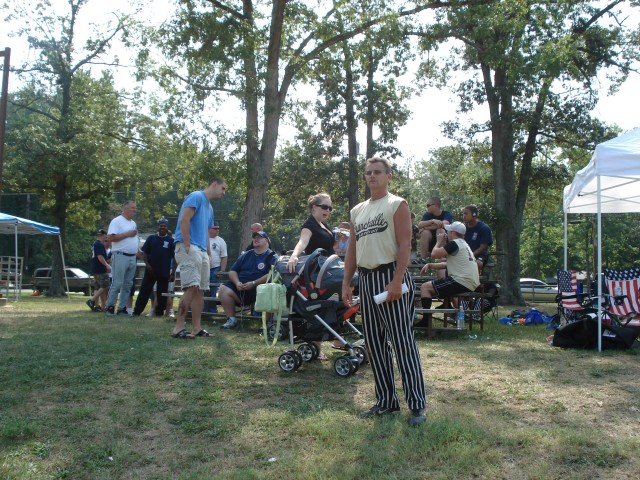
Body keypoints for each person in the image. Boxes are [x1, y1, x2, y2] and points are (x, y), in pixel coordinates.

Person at [341, 157, 427, 427]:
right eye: (368, 172)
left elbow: (405, 245)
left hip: (391, 277)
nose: (372, 176)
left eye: (377, 172)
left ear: (388, 176)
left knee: (402, 342)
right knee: (375, 345)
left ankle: (416, 405)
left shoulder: (397, 204)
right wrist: (347, 281)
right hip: (366, 280)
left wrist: (396, 280)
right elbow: (352, 249)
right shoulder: (357, 211)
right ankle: (386, 401)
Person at [171, 177, 227, 339]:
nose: (223, 193)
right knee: (191, 287)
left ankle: (196, 328)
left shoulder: (209, 207)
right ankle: (178, 327)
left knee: (200, 290)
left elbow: (205, 232)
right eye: (223, 188)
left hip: (202, 250)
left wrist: (208, 253)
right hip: (189, 247)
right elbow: (184, 219)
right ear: (214, 184)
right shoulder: (196, 196)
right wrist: (187, 244)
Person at [286, 193, 337, 359]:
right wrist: (294, 255)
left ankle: (337, 339)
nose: (328, 210)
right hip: (316, 273)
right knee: (319, 306)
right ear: (314, 207)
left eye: (330, 207)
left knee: (335, 304)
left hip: (328, 270)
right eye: (324, 206)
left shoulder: (324, 226)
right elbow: (303, 241)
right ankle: (316, 346)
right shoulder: (309, 225)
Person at [418, 221, 480, 324]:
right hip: (469, 281)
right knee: (436, 285)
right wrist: (431, 265)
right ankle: (445, 307)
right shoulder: (464, 244)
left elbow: (434, 254)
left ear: (453, 233)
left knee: (425, 287)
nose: (447, 233)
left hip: (461, 281)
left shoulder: (454, 244)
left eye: (449, 231)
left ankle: (425, 321)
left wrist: (438, 241)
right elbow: (451, 264)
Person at [218, 230, 277, 329]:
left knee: (270, 289)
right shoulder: (246, 255)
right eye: (254, 237)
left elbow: (273, 274)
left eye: (259, 237)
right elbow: (232, 271)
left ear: (266, 241)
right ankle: (231, 320)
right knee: (223, 289)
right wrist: (237, 283)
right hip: (241, 287)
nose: (256, 239)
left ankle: (267, 324)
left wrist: (254, 283)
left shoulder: (272, 256)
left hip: (260, 289)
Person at [133, 218, 175, 317]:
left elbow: (175, 257)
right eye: (161, 226)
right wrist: (148, 265)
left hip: (164, 271)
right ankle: (137, 311)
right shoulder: (151, 238)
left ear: (166, 227)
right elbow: (145, 253)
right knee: (144, 291)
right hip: (151, 270)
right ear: (158, 226)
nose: (162, 228)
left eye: (164, 226)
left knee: (162, 293)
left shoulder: (171, 241)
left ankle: (159, 312)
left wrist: (173, 272)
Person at [104, 200, 139, 316]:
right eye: (132, 208)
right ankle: (109, 306)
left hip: (132, 257)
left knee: (128, 284)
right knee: (118, 282)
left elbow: (134, 238)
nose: (135, 210)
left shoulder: (133, 223)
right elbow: (110, 238)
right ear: (125, 209)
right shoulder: (117, 221)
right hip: (120, 255)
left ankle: (122, 308)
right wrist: (127, 234)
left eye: (135, 208)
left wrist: (137, 250)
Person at [417, 196, 453, 261]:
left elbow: (444, 224)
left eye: (428, 205)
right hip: (430, 242)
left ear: (436, 206)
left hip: (443, 243)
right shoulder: (427, 214)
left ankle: (442, 259)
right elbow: (420, 225)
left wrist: (426, 227)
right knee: (425, 232)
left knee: (440, 230)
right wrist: (433, 221)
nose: (427, 207)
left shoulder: (447, 214)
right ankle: (422, 259)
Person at [462, 204, 493, 273]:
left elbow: (482, 248)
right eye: (463, 214)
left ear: (474, 214)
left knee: (477, 263)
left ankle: (476, 281)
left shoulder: (484, 228)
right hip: (464, 255)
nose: (464, 216)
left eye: (466, 214)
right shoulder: (463, 228)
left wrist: (470, 256)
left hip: (480, 255)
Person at [86, 229, 111, 312]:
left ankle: (96, 306)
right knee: (105, 285)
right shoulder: (99, 244)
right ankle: (91, 300)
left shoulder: (95, 243)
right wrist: (107, 265)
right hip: (100, 268)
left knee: (97, 286)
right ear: (104, 235)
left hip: (95, 268)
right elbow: (100, 256)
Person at [206, 222, 228, 312]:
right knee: (202, 290)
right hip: (202, 268)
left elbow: (224, 257)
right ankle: (202, 311)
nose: (217, 230)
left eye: (218, 228)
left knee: (213, 291)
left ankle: (212, 311)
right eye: (215, 228)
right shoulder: (203, 239)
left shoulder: (220, 241)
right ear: (209, 229)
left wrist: (222, 270)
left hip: (215, 268)